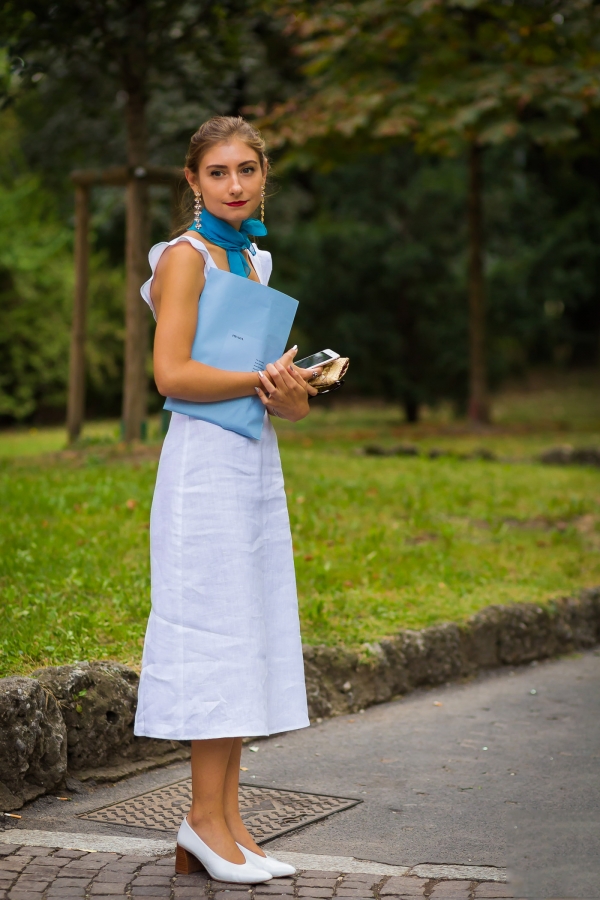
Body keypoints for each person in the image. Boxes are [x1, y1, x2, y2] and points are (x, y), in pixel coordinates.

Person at [134, 116, 318, 884]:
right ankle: (202, 821)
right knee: (212, 635)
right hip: (203, 471)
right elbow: (172, 376)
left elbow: (281, 402)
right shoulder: (186, 259)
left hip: (251, 462)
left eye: (247, 170)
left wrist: (295, 390)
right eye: (219, 173)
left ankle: (229, 825)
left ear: (264, 175)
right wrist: (256, 380)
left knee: (245, 635)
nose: (235, 185)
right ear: (193, 180)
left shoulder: (256, 259)